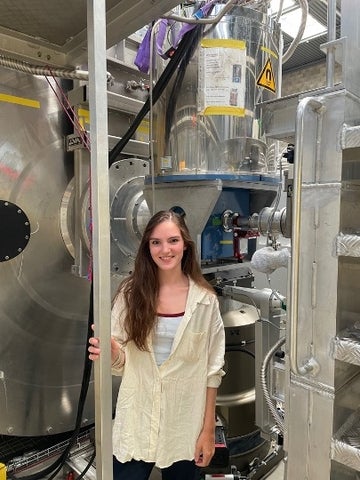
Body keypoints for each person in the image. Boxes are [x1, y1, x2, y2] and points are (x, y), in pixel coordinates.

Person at [88, 209, 225, 480]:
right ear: (147, 247)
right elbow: (119, 366)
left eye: (173, 240)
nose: (165, 249)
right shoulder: (130, 295)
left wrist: (208, 431)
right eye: (156, 242)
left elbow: (212, 372)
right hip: (137, 421)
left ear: (185, 244)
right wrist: (113, 353)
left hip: (184, 424)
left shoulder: (205, 301)